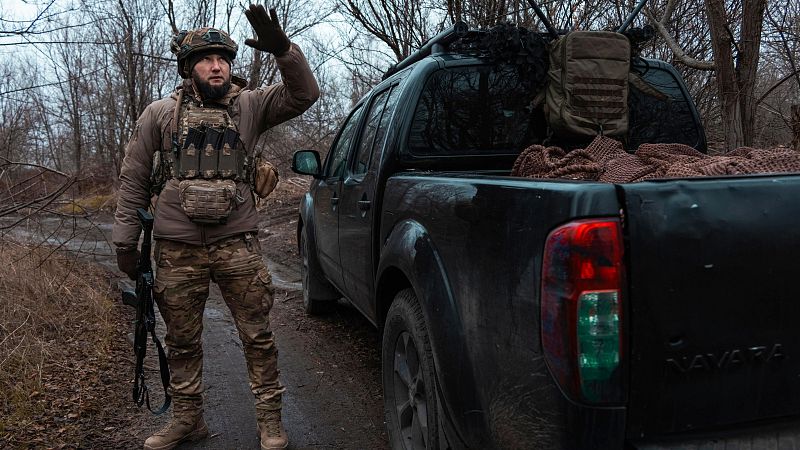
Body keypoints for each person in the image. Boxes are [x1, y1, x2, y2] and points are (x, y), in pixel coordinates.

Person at [112, 4, 319, 450]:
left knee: (258, 336)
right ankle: (188, 420)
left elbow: (304, 96)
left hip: (236, 244)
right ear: (189, 68)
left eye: (223, 58)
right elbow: (132, 181)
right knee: (183, 341)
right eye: (206, 59)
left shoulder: (251, 105)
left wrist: (284, 51)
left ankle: (270, 423)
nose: (216, 65)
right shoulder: (158, 114)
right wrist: (125, 244)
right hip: (176, 247)